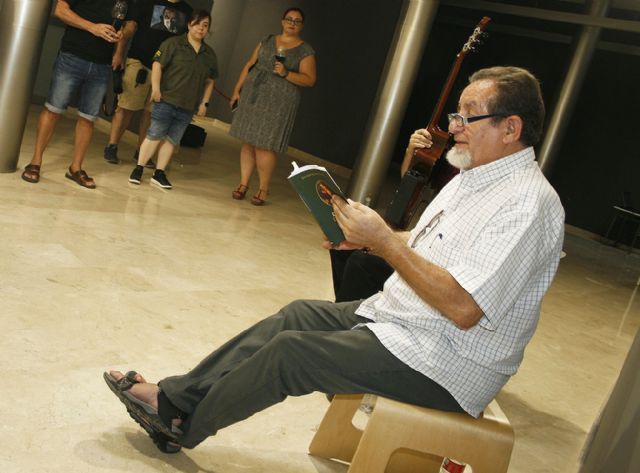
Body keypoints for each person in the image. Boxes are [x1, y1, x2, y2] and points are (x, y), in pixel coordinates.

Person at [105, 66, 565, 454]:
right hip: (407, 324)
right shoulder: (474, 175)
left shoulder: (527, 204)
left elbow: (465, 308)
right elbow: (428, 244)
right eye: (456, 114)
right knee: (296, 316)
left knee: (293, 353)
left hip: (445, 363)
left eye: (468, 117)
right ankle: (176, 396)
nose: (455, 126)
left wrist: (385, 243)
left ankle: (185, 427)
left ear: (511, 128)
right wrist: (366, 242)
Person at [20, 0, 126, 188]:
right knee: (53, 109)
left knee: (88, 118)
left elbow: (129, 23)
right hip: (73, 57)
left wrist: (121, 42)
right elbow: (60, 10)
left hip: (102, 64)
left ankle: (75, 168)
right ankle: (35, 162)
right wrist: (92, 27)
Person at [228, 7, 316, 206]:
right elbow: (250, 63)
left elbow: (310, 80)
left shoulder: (305, 50)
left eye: (297, 21)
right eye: (289, 19)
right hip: (254, 96)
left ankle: (263, 189)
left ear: (302, 25)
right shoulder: (267, 40)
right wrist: (237, 89)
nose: (292, 23)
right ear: (282, 21)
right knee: (248, 141)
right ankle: (243, 184)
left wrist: (286, 73)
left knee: (265, 146)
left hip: (279, 102)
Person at [127, 10, 218, 190]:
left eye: (206, 25)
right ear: (189, 24)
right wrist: (156, 89)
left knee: (172, 140)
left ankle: (159, 173)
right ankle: (139, 168)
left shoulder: (209, 55)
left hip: (188, 105)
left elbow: (210, 81)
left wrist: (204, 103)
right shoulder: (173, 44)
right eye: (198, 23)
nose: (201, 28)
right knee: (154, 134)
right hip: (166, 99)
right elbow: (157, 65)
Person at [104, 0, 193, 167]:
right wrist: (118, 53)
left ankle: (141, 152)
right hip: (139, 62)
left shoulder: (187, 10)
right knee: (126, 106)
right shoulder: (147, 2)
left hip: (166, 70)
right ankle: (112, 146)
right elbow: (130, 27)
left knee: (151, 113)